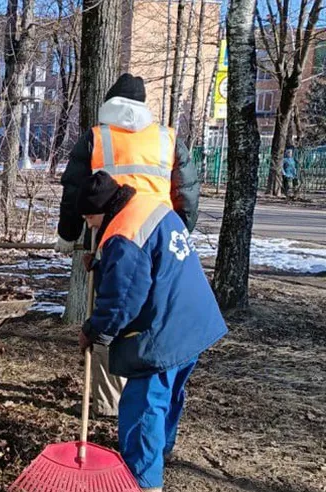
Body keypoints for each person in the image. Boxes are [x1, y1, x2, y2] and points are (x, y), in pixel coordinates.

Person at [57, 73, 201, 418]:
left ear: (108, 105)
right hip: (160, 238)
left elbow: (74, 190)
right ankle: (142, 389)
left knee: (109, 309)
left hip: (112, 235)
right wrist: (179, 233)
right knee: (148, 317)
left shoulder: (97, 137)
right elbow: (187, 191)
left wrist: (68, 232)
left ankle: (109, 402)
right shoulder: (167, 138)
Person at [76, 171, 227, 492]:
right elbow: (147, 264)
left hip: (166, 331)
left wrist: (94, 331)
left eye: (89, 218)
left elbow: (122, 299)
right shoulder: (147, 206)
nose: (89, 226)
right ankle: (160, 452)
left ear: (100, 210)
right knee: (167, 395)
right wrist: (103, 265)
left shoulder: (122, 233)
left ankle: (142, 480)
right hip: (194, 320)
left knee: (143, 404)